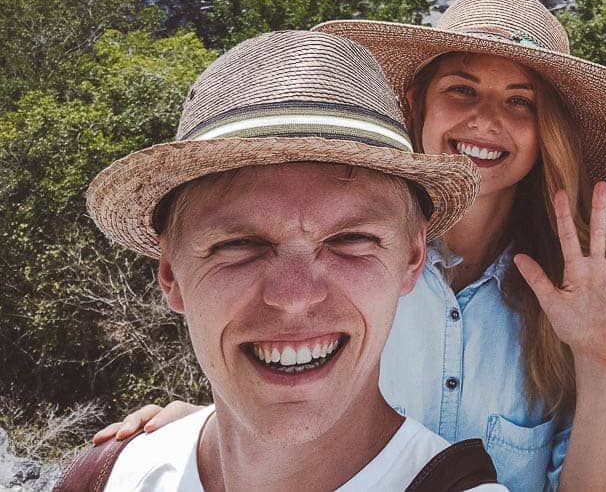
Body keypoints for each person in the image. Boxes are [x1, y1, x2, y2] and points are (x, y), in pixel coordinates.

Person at [95, 0, 606, 492]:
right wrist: (209, 432)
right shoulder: (352, 276)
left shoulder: (571, 299)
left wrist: (599, 358)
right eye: (462, 90)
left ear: (548, 132)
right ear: (417, 103)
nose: (486, 120)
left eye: (520, 101)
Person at [66, 30, 504, 491]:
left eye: (351, 239)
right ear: (171, 273)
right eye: (238, 245)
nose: (295, 296)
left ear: (412, 258)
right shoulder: (105, 478)